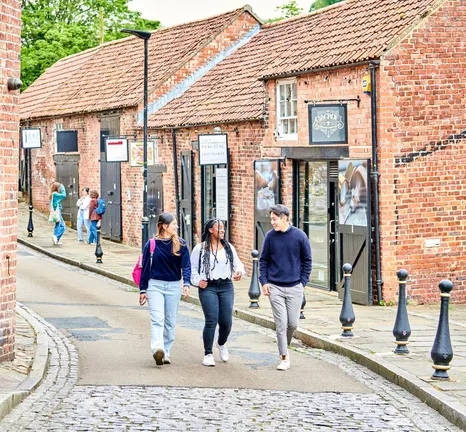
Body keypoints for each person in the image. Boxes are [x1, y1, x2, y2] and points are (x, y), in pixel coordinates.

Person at [259, 204, 312, 371]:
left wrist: (302, 283)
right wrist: (264, 282)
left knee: (293, 324)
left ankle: (284, 346)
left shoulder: (300, 236)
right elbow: (263, 261)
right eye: (271, 219)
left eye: (274, 219)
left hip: (295, 287)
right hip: (275, 287)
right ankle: (284, 357)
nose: (272, 222)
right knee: (281, 323)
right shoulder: (270, 237)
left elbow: (307, 261)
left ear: (284, 218)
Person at [191, 218, 245, 367]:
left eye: (223, 228)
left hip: (226, 286)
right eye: (219, 228)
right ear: (210, 230)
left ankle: (221, 343)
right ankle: (208, 353)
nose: (222, 230)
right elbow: (192, 268)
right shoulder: (200, 248)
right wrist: (197, 281)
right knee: (211, 320)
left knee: (226, 322)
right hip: (208, 287)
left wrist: (239, 272)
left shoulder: (228, 247)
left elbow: (237, 264)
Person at [139, 213, 191, 366]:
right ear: (164, 226)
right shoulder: (151, 244)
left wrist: (186, 283)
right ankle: (157, 349)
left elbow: (186, 266)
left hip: (173, 286)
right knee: (157, 319)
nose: (177, 226)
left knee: (170, 321)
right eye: (174, 224)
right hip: (154, 285)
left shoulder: (180, 244)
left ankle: (166, 351)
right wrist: (143, 290)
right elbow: (145, 268)